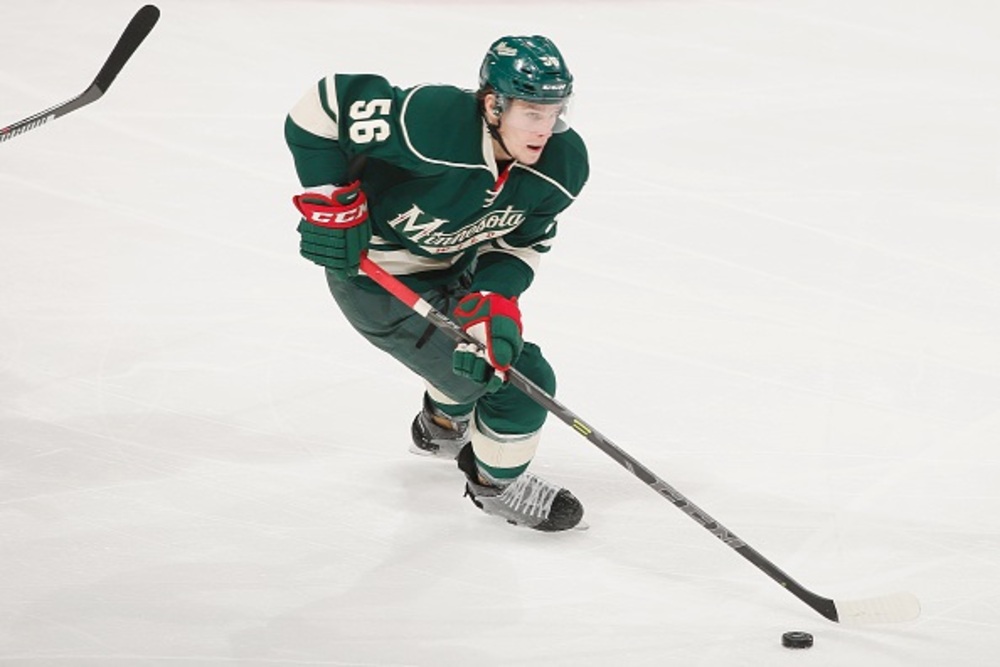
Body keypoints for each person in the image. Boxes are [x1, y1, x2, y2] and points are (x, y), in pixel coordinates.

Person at [284, 36, 589, 532]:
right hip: (379, 283)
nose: (545, 129)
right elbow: (322, 108)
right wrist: (330, 199)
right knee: (521, 384)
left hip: (454, 266)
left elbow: (519, 244)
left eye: (555, 112)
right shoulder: (433, 122)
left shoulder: (563, 164)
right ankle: (496, 486)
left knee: (480, 350)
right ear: (494, 105)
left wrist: (492, 297)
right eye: (532, 113)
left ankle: (443, 427)